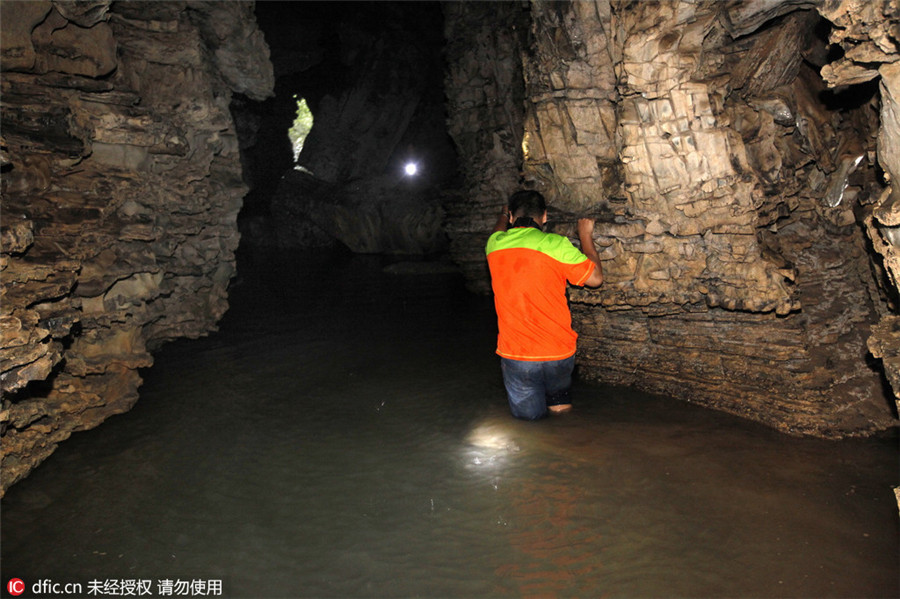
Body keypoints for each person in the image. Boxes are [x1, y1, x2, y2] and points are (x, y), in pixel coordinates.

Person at [485, 189, 603, 420]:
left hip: (518, 355)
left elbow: (497, 231)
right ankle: (566, 438)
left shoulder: (494, 245)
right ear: (545, 217)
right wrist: (585, 236)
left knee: (530, 424)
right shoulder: (555, 244)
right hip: (558, 352)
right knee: (560, 405)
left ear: (511, 217)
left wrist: (501, 216)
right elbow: (596, 279)